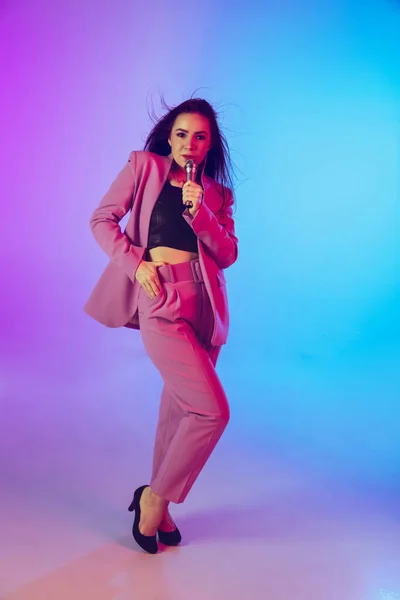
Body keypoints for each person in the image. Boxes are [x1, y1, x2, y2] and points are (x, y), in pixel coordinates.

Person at [84, 98, 238, 554]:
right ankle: (153, 497)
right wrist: (136, 264)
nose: (190, 144)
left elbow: (227, 254)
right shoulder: (144, 168)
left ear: (210, 144)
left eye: (200, 137)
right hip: (160, 298)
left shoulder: (217, 194)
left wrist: (201, 212)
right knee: (212, 412)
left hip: (204, 305)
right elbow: (102, 220)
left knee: (179, 413)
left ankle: (162, 507)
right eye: (182, 135)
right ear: (169, 137)